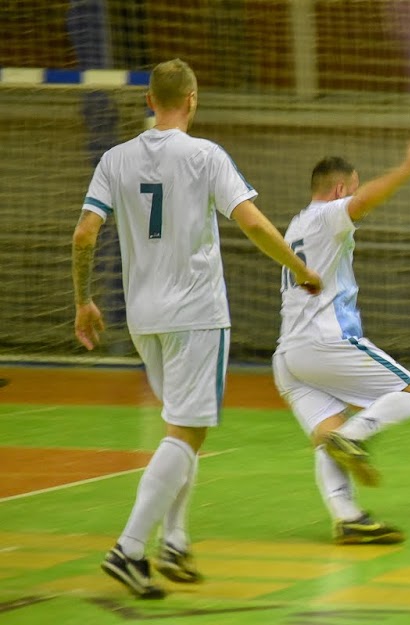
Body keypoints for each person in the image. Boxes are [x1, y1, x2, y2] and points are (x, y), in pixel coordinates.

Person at [71, 58, 321, 599]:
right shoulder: (206, 156)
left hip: (143, 318)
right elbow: (251, 221)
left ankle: (177, 541)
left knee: (181, 428)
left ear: (148, 101)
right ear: (192, 99)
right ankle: (130, 548)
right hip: (196, 314)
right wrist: (300, 269)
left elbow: (84, 235)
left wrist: (84, 300)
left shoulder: (114, 159)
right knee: (187, 432)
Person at [272, 130, 410, 545]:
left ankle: (347, 517)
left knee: (326, 436)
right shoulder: (327, 216)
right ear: (342, 188)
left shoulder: (295, 225)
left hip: (289, 356)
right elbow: (363, 203)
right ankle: (354, 437)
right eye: (353, 189)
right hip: (328, 341)